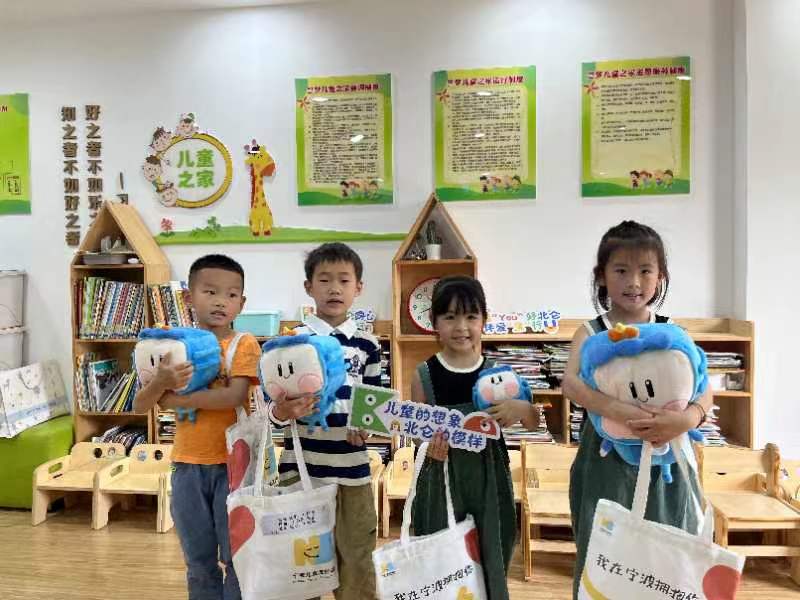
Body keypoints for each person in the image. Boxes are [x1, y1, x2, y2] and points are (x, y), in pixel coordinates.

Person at [563, 221, 712, 598]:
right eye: (621, 270)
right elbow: (572, 385)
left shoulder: (672, 332)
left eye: (645, 271)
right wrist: (619, 410)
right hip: (605, 463)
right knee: (605, 551)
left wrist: (687, 418)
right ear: (601, 276)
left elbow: (705, 389)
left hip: (667, 464)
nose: (634, 282)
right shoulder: (591, 331)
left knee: (666, 549)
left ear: (661, 277)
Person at [134, 254, 261, 600]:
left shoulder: (243, 343)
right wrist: (160, 383)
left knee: (237, 557)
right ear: (189, 297)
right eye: (210, 291)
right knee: (198, 561)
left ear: (241, 303)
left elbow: (234, 396)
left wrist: (176, 400)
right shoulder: (172, 346)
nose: (221, 301)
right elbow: (141, 405)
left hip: (233, 467)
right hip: (187, 466)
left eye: (231, 295)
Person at [410, 275, 540, 600]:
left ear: (484, 320)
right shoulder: (423, 374)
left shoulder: (500, 375)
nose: (461, 327)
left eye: (471, 316)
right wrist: (429, 447)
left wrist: (521, 407)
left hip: (489, 478)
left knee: (491, 551)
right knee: (441, 556)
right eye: (450, 317)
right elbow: (416, 435)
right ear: (434, 322)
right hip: (440, 476)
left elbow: (533, 421)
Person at [268, 242, 381, 600]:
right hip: (301, 468)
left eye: (344, 280)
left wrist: (367, 427)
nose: (334, 288)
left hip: (353, 468)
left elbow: (375, 403)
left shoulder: (368, 345)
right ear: (309, 287)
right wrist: (283, 412)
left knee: (357, 554)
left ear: (358, 288)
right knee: (303, 559)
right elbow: (271, 410)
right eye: (324, 280)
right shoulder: (291, 342)